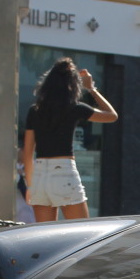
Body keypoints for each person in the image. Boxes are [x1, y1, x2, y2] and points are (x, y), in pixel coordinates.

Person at [21, 58, 117, 221]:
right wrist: (91, 89)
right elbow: (112, 116)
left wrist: (30, 184)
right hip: (63, 171)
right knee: (82, 232)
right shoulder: (74, 107)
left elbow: (28, 152)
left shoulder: (35, 110)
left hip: (39, 176)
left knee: (46, 237)